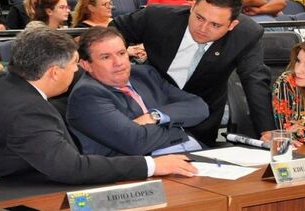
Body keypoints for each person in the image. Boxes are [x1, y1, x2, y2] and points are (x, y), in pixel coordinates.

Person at [0, 27, 197, 184]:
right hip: (4, 191)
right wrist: (151, 165)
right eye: (74, 64)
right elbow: (71, 168)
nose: (76, 70)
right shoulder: (30, 111)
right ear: (54, 72)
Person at [113, 0, 276, 146]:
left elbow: (254, 80)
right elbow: (112, 33)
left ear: (232, 25)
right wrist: (119, 63)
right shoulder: (156, 17)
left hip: (201, 118)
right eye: (199, 18)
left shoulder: (247, 34)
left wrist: (267, 130)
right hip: (146, 110)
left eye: (215, 25)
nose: (203, 29)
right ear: (192, 7)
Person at [67, 26, 208, 156]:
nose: (118, 62)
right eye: (106, 57)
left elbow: (199, 106)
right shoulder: (86, 95)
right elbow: (135, 141)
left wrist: (156, 116)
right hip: (149, 168)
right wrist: (176, 126)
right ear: (86, 65)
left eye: (121, 53)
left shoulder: (144, 74)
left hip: (196, 151)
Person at [72, 0, 147, 62]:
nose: (110, 7)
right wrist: (125, 52)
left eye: (110, 3)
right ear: (91, 8)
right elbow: (92, 55)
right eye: (105, 4)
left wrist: (141, 48)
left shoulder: (119, 22)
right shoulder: (81, 30)